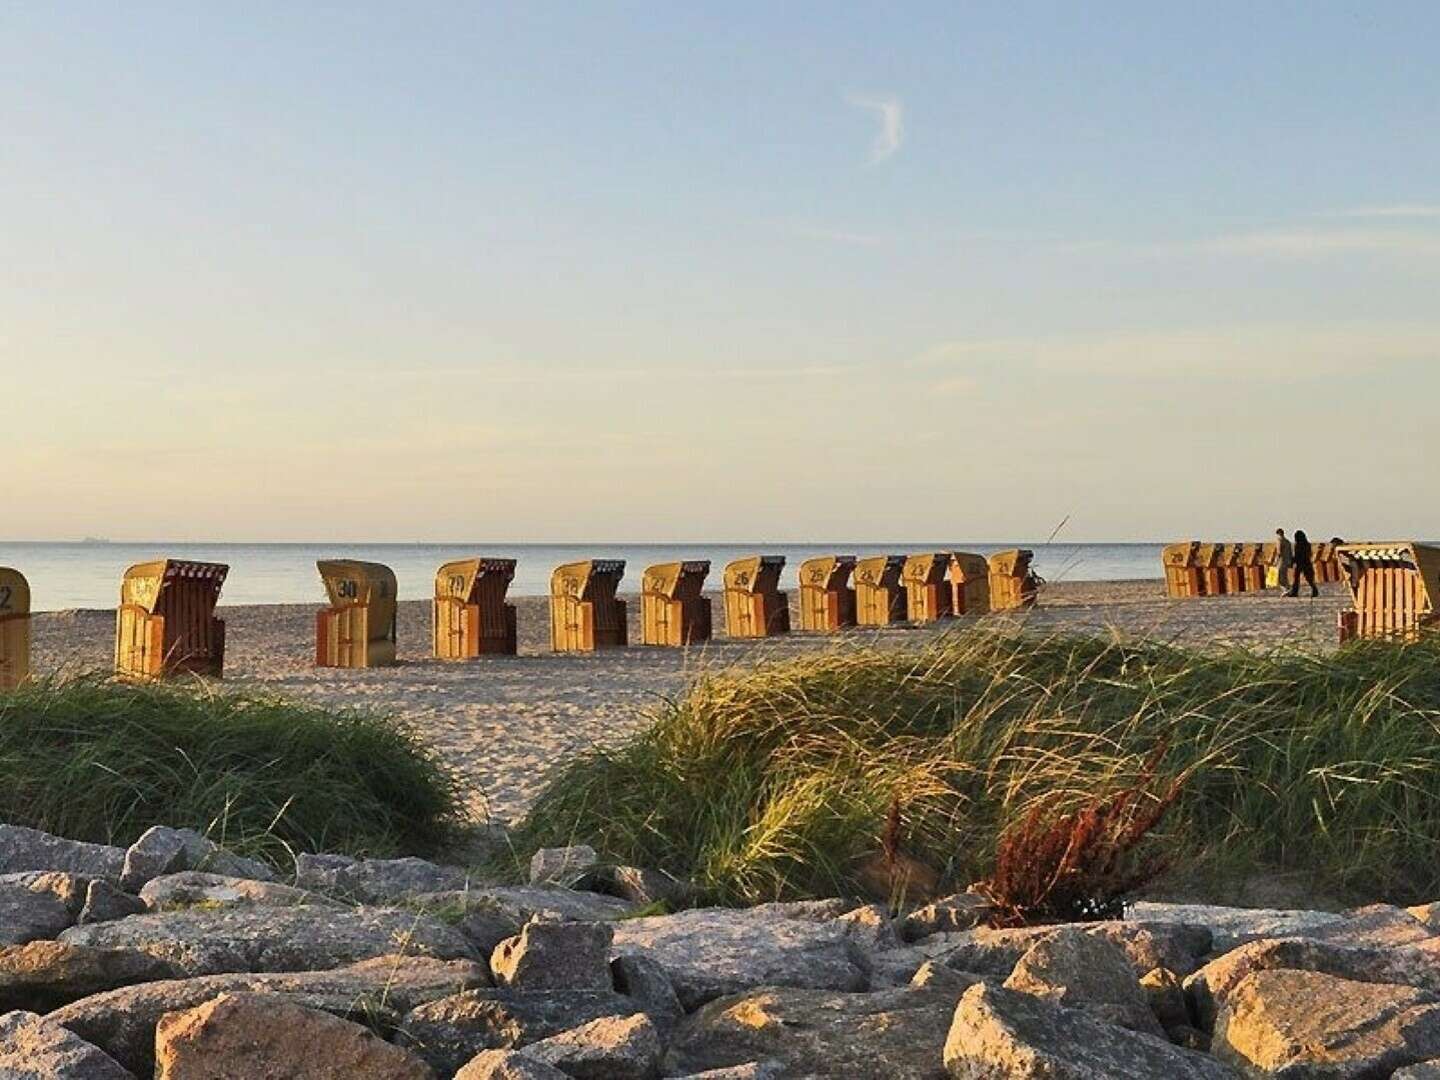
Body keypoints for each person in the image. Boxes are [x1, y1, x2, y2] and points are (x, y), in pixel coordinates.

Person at [1287, 529, 1319, 597]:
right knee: (1309, 579)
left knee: (1296, 578)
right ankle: (1314, 591)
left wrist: (1293, 561)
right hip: (1307, 563)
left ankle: (1295, 592)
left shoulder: (1298, 545)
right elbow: (1309, 554)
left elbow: (1297, 555)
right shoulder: (1307, 544)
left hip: (1300, 563)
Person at [1273, 528, 1293, 592]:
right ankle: (1289, 589)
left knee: (1279, 577)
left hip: (1281, 561)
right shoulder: (1288, 541)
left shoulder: (1279, 540)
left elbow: (1279, 552)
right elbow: (1290, 553)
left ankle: (1285, 590)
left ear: (1278, 534)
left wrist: (1276, 561)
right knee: (1284, 576)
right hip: (1287, 561)